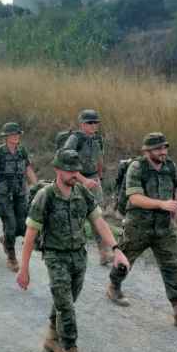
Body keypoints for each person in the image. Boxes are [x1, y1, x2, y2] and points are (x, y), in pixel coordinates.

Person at [17, 149, 130, 352]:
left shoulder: (82, 194)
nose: (73, 174)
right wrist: (23, 269)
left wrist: (116, 249)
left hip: (79, 256)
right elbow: (30, 235)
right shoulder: (45, 196)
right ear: (57, 169)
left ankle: (51, 337)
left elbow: (99, 222)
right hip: (56, 256)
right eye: (69, 169)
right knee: (66, 306)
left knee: (66, 300)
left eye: (76, 170)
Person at [107, 133, 177, 327]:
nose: (163, 152)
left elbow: (175, 190)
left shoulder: (170, 166)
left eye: (165, 147)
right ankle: (114, 287)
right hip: (138, 226)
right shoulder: (137, 167)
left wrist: (174, 208)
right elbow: (134, 198)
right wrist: (162, 204)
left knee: (172, 266)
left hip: (163, 227)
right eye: (158, 149)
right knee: (125, 260)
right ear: (147, 151)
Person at [62, 109, 112, 265]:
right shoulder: (74, 139)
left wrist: (99, 176)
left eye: (96, 122)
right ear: (82, 124)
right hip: (75, 180)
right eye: (90, 123)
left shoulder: (98, 139)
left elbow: (99, 158)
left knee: (97, 215)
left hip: (93, 179)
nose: (93, 125)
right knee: (73, 216)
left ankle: (104, 252)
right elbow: (65, 162)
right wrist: (82, 180)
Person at [0, 122, 37, 271]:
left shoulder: (22, 151)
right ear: (6, 137)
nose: (16, 137)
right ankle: (11, 257)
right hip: (4, 195)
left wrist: (37, 187)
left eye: (17, 134)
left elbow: (28, 169)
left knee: (22, 226)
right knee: (10, 225)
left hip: (20, 194)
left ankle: (6, 241)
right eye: (13, 134)